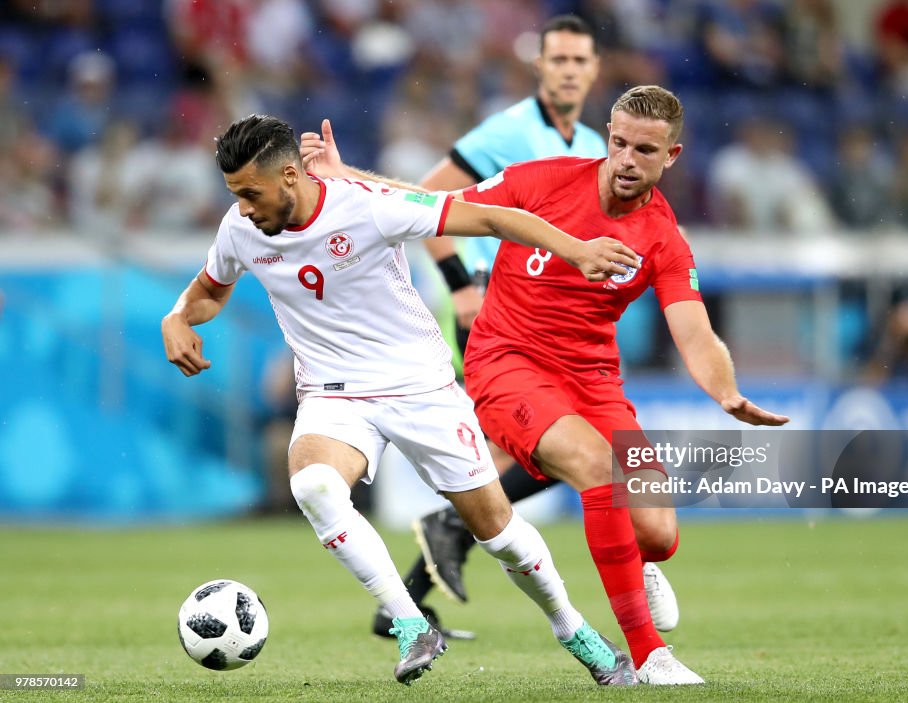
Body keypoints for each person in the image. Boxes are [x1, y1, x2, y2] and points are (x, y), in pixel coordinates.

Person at [301, 85, 790, 685]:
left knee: (659, 535)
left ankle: (637, 566)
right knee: (594, 467)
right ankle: (647, 654)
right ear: (606, 138)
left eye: (645, 149)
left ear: (673, 156)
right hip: (506, 364)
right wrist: (342, 173)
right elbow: (433, 205)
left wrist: (726, 393)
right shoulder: (541, 181)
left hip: (596, 381)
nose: (627, 159)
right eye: (618, 143)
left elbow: (695, 332)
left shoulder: (664, 238)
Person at [160, 114, 641, 686]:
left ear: (290, 175)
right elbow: (210, 290)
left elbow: (488, 215)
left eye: (249, 194)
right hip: (334, 395)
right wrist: (178, 315)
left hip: (421, 388)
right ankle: (412, 624)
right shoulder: (241, 229)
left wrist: (576, 250)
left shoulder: (367, 207)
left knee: (498, 534)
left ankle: (573, 629)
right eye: (234, 196)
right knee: (313, 485)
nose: (242, 208)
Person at [360, 14, 688, 642]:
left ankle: (418, 576)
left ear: (595, 71)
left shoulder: (603, 142)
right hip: (489, 312)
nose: (568, 70)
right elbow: (429, 200)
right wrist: (460, 284)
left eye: (579, 61)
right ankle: (435, 549)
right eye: (557, 59)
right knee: (523, 448)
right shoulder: (508, 131)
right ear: (537, 66)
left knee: (532, 449)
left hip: (550, 323)